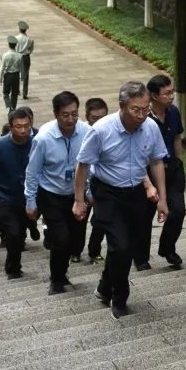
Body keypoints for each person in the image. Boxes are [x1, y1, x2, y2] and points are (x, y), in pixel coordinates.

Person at [73, 81, 168, 319]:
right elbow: (83, 164)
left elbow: (157, 161)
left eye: (145, 109)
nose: (141, 115)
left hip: (136, 192)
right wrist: (79, 200)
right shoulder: (101, 130)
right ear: (122, 106)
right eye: (136, 110)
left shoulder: (150, 127)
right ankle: (119, 297)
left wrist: (162, 199)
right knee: (121, 246)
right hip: (107, 193)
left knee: (126, 246)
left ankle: (105, 286)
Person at [26, 92, 91, 294]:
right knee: (60, 239)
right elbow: (33, 171)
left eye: (74, 114)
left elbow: (93, 163)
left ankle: (63, 269)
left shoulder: (87, 132)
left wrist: (89, 190)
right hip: (51, 194)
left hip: (77, 194)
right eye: (65, 115)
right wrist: (30, 200)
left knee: (76, 242)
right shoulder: (43, 138)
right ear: (56, 114)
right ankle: (57, 279)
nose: (71, 119)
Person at [0, 107, 37, 279]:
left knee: (20, 234)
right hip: (4, 196)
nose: (23, 130)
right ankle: (12, 268)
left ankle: (14, 263)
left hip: (27, 196)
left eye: (26, 126)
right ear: (11, 127)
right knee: (13, 232)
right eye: (18, 126)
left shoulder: (37, 143)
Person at [143, 75, 186, 270]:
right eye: (167, 93)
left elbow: (176, 137)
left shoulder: (173, 112)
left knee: (178, 210)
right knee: (145, 216)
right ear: (154, 96)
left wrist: (179, 160)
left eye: (172, 92)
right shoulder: (144, 118)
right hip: (149, 172)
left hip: (173, 169)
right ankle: (141, 256)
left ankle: (168, 248)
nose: (171, 96)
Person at [81, 97, 110, 264]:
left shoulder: (111, 131)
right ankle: (75, 250)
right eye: (94, 118)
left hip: (102, 184)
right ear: (87, 116)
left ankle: (94, 250)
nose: (99, 122)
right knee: (80, 221)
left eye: (103, 117)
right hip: (83, 184)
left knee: (100, 220)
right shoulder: (81, 132)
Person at [0, 36, 23, 114]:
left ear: (8, 45)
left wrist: (0, 79)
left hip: (8, 75)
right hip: (16, 75)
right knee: (14, 93)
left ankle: (9, 106)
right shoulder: (20, 55)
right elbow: (21, 67)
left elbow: (2, 68)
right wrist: (22, 77)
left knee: (6, 92)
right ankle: (13, 108)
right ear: (15, 45)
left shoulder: (5, 55)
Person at [15, 21, 34, 100]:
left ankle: (17, 90)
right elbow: (31, 50)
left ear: (19, 29)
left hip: (17, 56)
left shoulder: (15, 38)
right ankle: (24, 93)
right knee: (25, 76)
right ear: (26, 30)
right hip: (25, 57)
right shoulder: (29, 40)